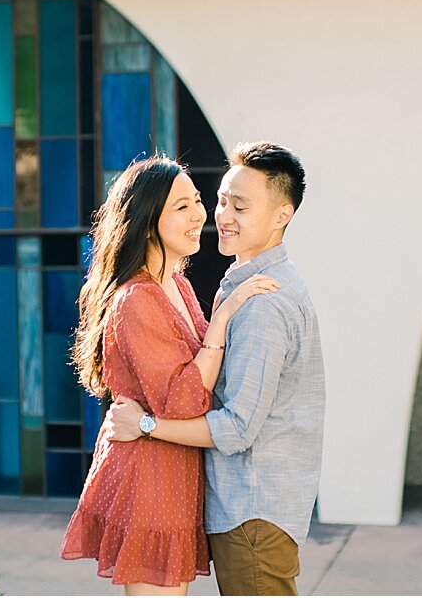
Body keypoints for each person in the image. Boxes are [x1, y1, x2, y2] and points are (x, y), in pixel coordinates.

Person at [106, 142, 325, 596]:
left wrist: (145, 424)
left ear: (282, 215)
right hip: (235, 507)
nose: (221, 215)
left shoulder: (262, 303)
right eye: (221, 199)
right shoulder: (230, 286)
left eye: (239, 206)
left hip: (252, 511)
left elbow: (237, 427)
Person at [60, 155, 279, 595]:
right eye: (182, 206)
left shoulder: (176, 284)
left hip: (174, 471)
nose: (199, 214)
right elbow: (182, 400)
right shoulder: (136, 299)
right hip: (148, 480)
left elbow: (203, 381)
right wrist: (222, 321)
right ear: (145, 223)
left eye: (197, 200)